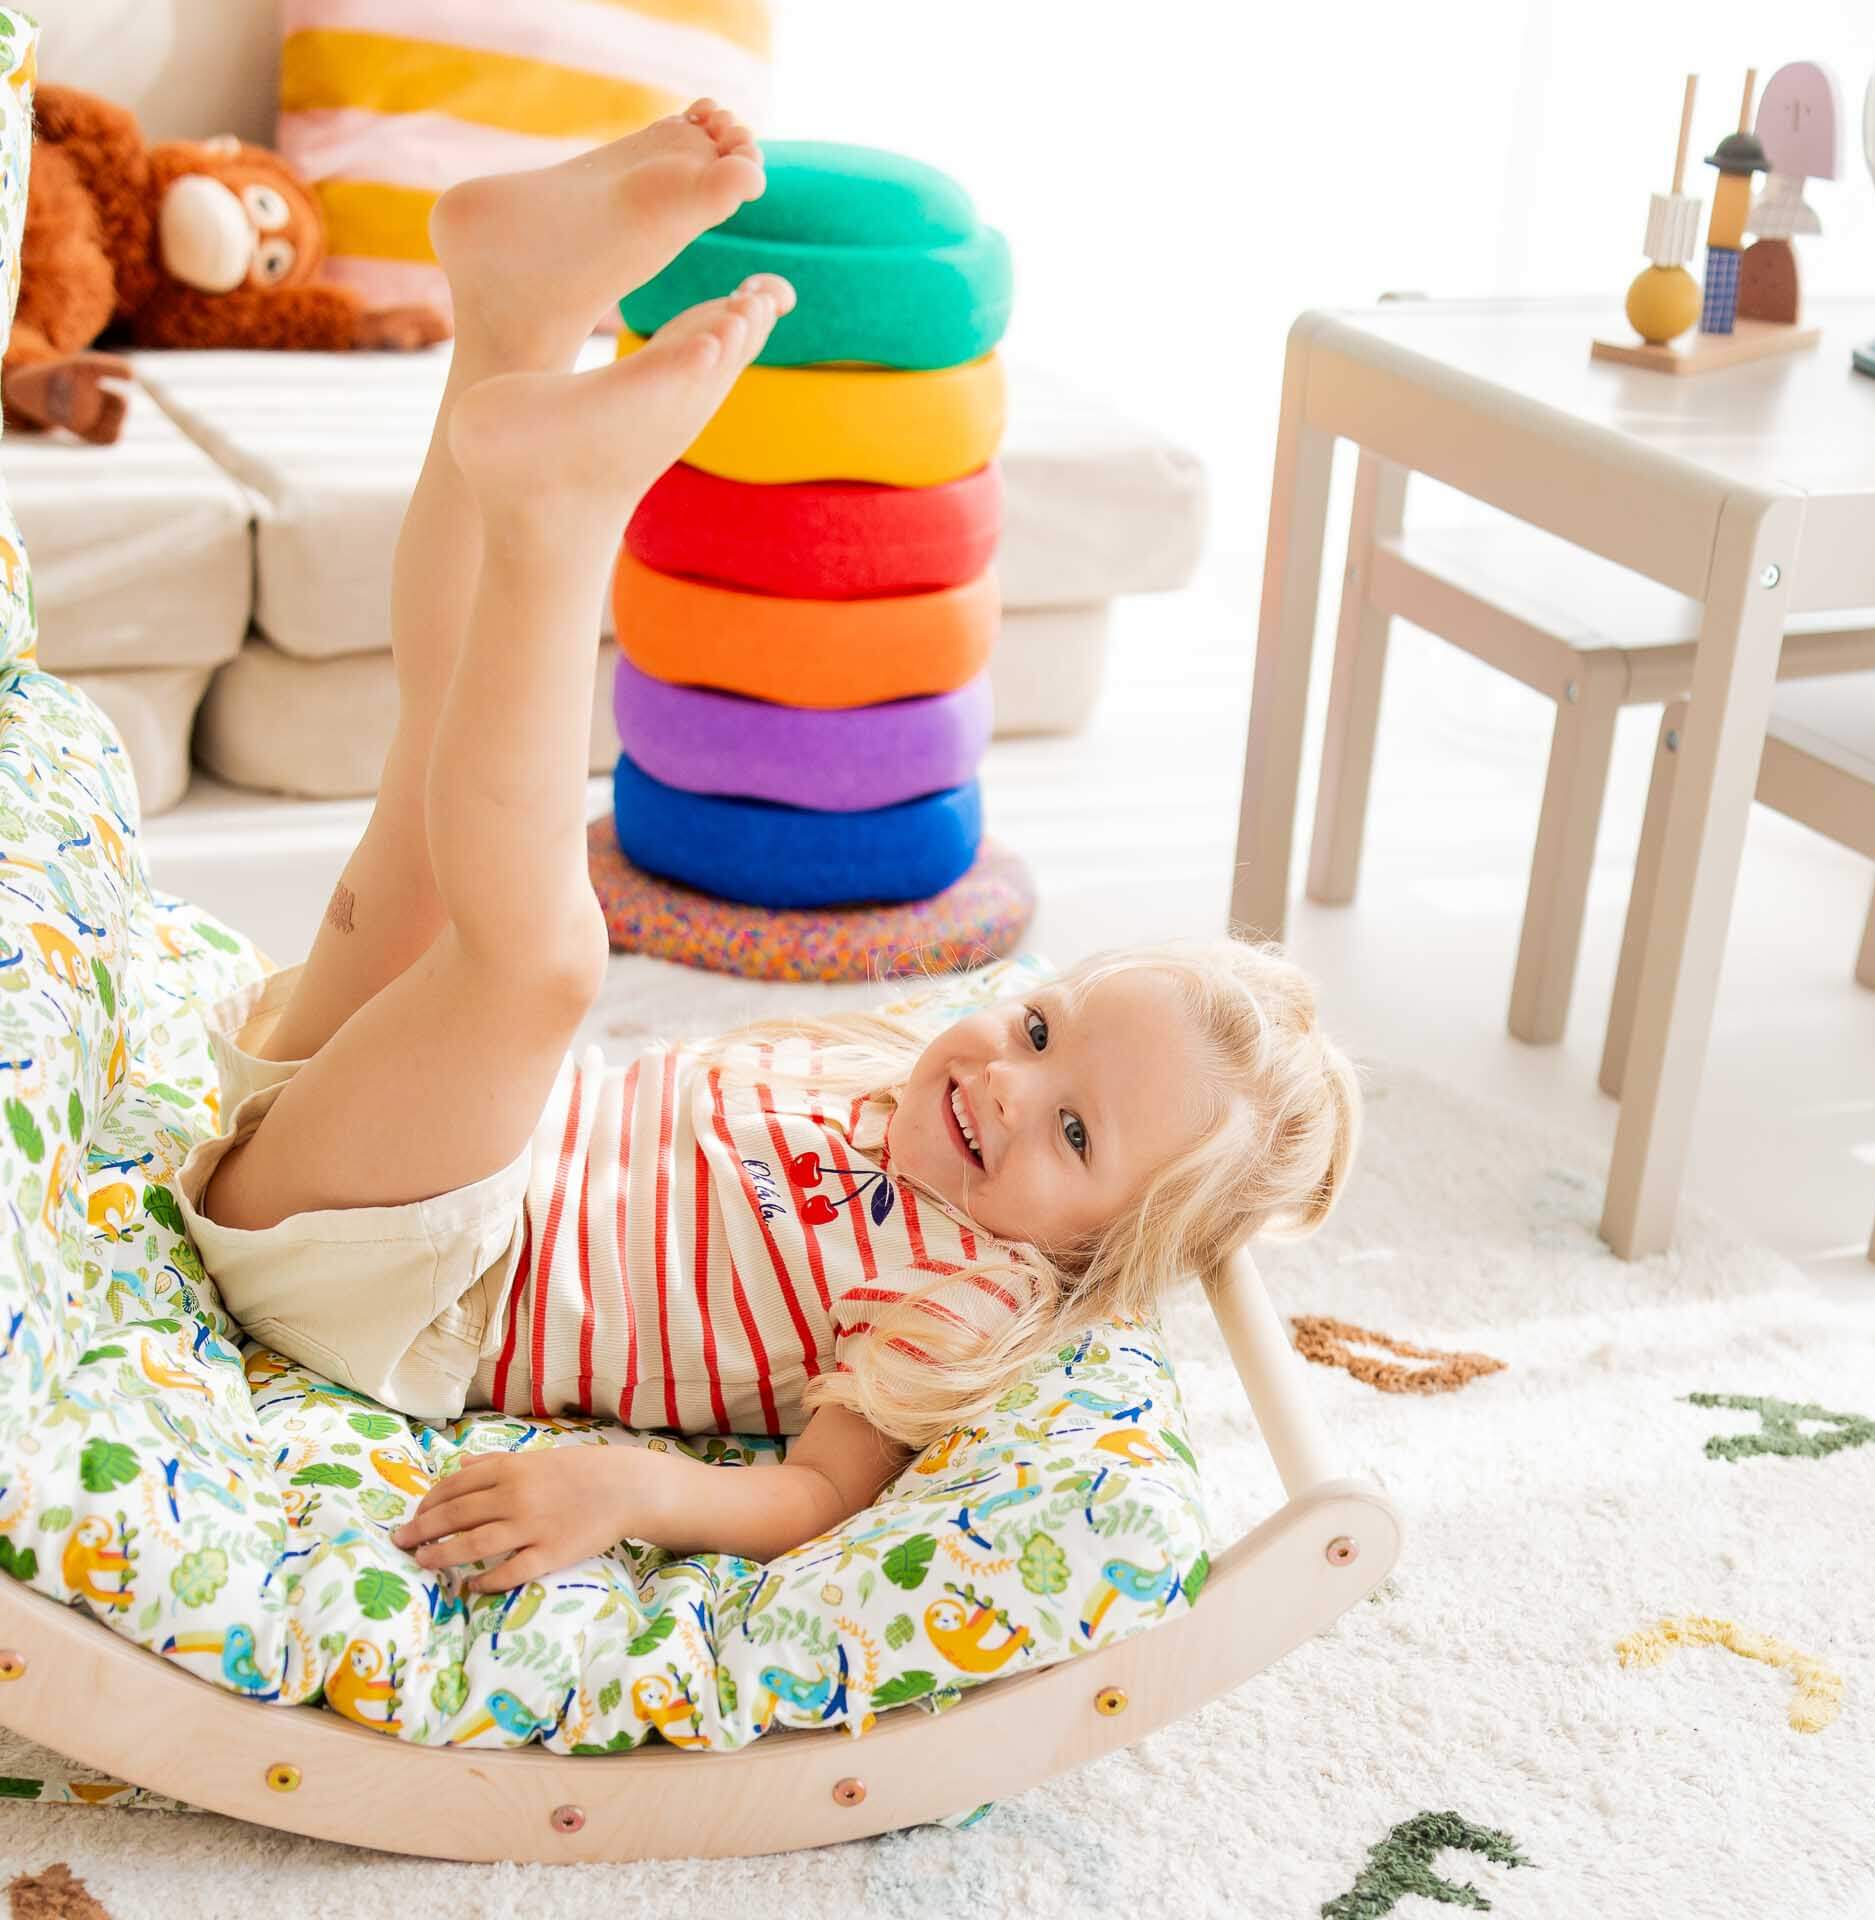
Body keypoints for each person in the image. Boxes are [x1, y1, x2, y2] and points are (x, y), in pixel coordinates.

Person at [169, 102, 1361, 1594]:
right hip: (360, 1117)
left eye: (1073, 1131)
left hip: (399, 1280)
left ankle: (560, 512)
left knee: (537, 961)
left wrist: (629, 1490)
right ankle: (514, 316)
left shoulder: (966, 1291)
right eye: (1044, 1030)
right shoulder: (881, 1066)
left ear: (1107, 1248)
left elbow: (808, 1495)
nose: (1008, 1077)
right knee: (432, 770)